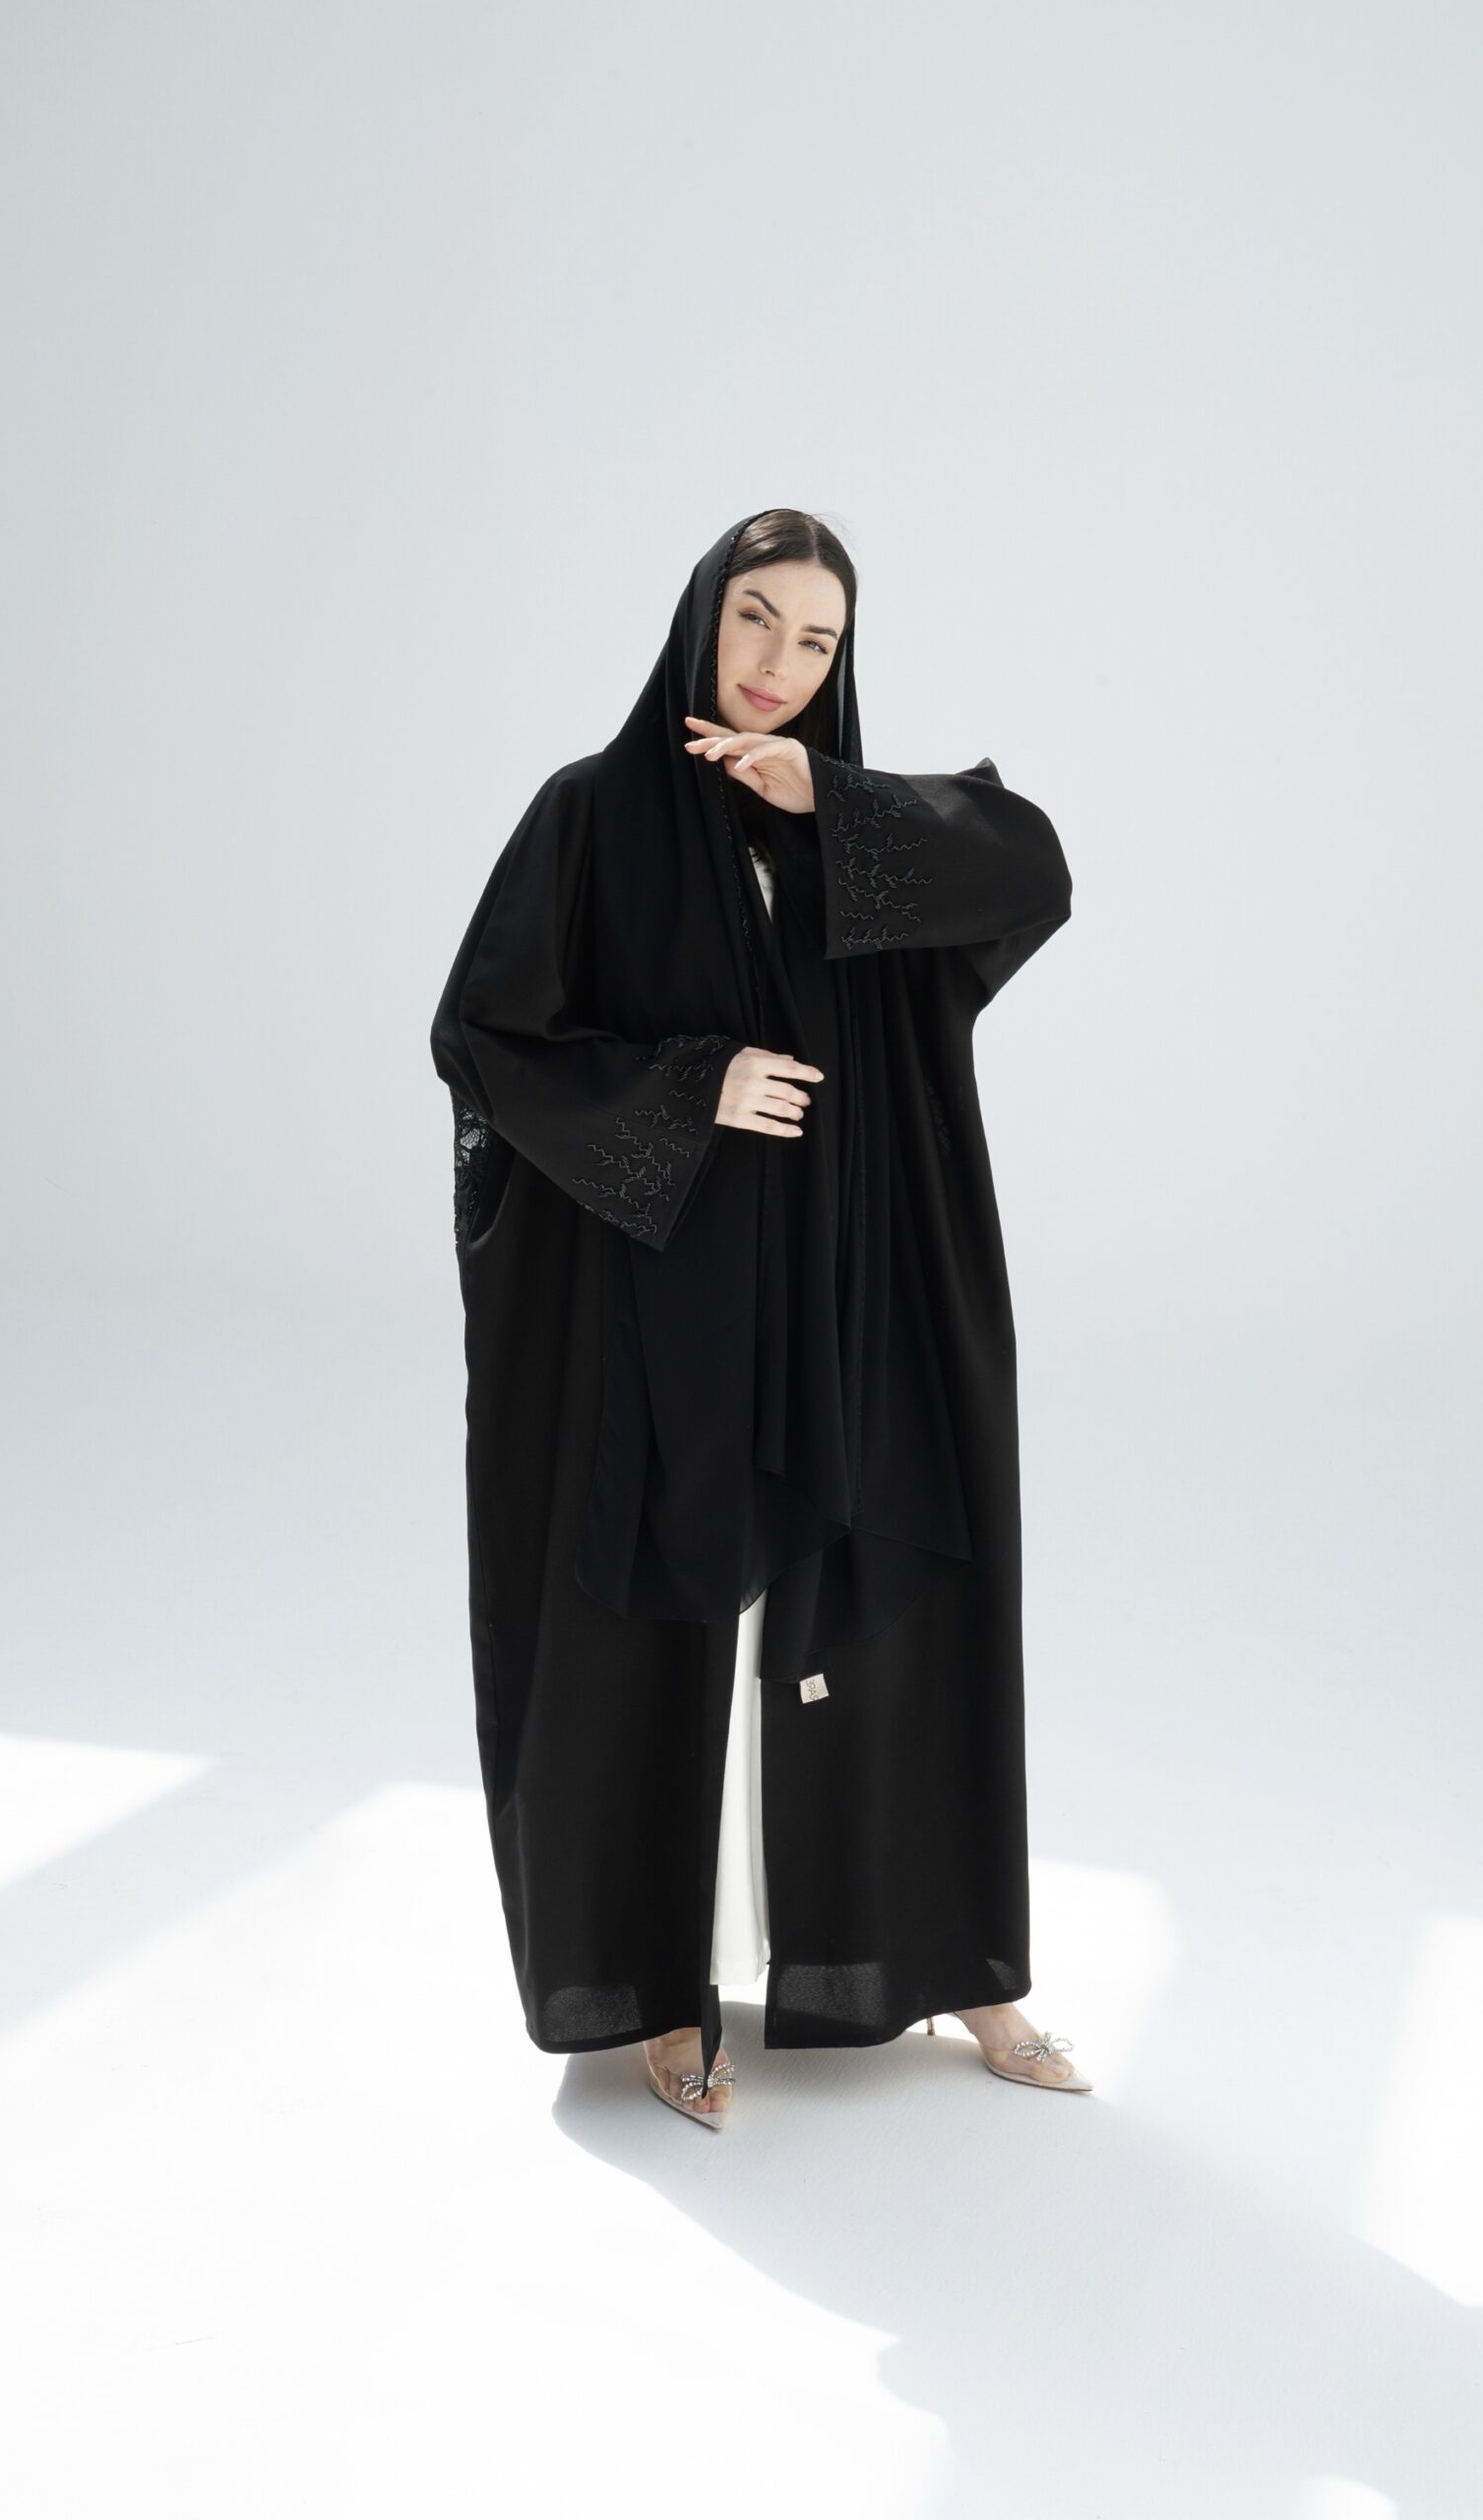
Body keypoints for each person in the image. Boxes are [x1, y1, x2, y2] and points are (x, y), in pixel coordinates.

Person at [430, 507, 1088, 2131]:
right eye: (755, 620)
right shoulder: (589, 817)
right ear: (697, 618)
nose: (781, 663)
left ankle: (957, 1968)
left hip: (868, 1277)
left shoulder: (852, 822)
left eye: (817, 639)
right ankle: (658, 1990)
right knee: (655, 1624)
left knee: (896, 1602)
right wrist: (688, 1089)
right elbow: (485, 1040)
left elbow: (1036, 866)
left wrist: (828, 804)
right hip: (671, 1303)